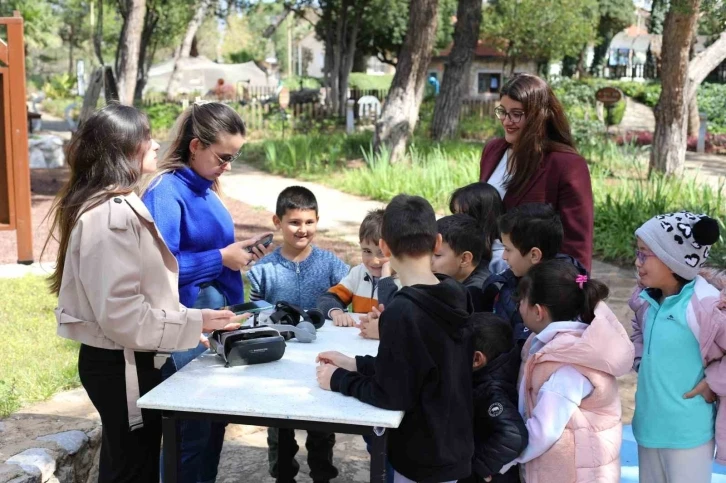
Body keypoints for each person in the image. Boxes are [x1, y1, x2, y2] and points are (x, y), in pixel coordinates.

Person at [45, 104, 244, 483]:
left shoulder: (113, 206)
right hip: (122, 363)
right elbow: (122, 315)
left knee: (131, 462)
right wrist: (193, 321)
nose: (156, 144)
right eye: (146, 137)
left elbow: (137, 296)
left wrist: (192, 322)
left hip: (129, 359)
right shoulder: (111, 214)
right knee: (130, 467)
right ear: (123, 150)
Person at [142, 101, 272, 483]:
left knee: (211, 430)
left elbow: (211, 253)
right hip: (187, 333)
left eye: (234, 157)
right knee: (190, 438)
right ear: (195, 146)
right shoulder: (166, 191)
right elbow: (157, 268)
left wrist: (237, 254)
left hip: (216, 327)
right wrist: (220, 259)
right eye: (223, 156)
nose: (227, 166)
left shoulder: (207, 190)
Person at [316, 194, 476, 483]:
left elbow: (391, 394)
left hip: (421, 456)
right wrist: (355, 363)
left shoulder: (402, 310)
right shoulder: (455, 293)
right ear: (437, 242)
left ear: (384, 247)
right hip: (453, 443)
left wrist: (338, 379)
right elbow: (418, 366)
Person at [248, 185, 349, 483]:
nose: (302, 229)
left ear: (317, 220)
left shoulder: (331, 263)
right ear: (277, 222)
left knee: (321, 427)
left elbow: (349, 294)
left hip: (322, 358)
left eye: (309, 222)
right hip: (278, 361)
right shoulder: (262, 270)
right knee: (279, 431)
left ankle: (322, 475)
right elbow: (256, 311)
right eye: (294, 222)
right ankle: (283, 476)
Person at [500, 260, 634, 481]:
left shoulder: (567, 362)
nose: (518, 306)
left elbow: (544, 431)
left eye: (521, 300)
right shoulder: (558, 346)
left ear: (538, 311)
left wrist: (501, 459)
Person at [629, 211, 725, 483]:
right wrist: (640, 360)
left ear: (673, 260)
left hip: (688, 435)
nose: (638, 262)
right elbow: (639, 331)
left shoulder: (705, 305)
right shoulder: (645, 299)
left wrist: (714, 382)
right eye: (638, 253)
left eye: (645, 254)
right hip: (648, 429)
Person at [478, 74, 593, 271]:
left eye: (517, 114)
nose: (507, 121)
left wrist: (578, 286)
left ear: (539, 115)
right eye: (502, 112)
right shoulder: (493, 150)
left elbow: (578, 244)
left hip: (532, 283)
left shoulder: (566, 164)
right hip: (483, 274)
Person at [459, 314, 527, 483]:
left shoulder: (492, 391)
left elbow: (514, 435)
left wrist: (479, 466)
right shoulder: (500, 363)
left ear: (476, 359)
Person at [318, 208, 400, 327]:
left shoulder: (405, 280)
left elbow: (393, 314)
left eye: (381, 253)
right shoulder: (358, 273)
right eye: (367, 251)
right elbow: (327, 298)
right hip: (358, 340)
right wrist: (336, 312)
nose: (374, 260)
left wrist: (386, 277)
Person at [449, 182, 506, 275]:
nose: (456, 220)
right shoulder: (457, 245)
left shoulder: (501, 258)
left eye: (464, 215)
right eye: (455, 213)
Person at [431, 214, 490, 289]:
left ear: (464, 259)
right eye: (428, 252)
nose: (428, 260)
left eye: (437, 255)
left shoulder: (475, 292)